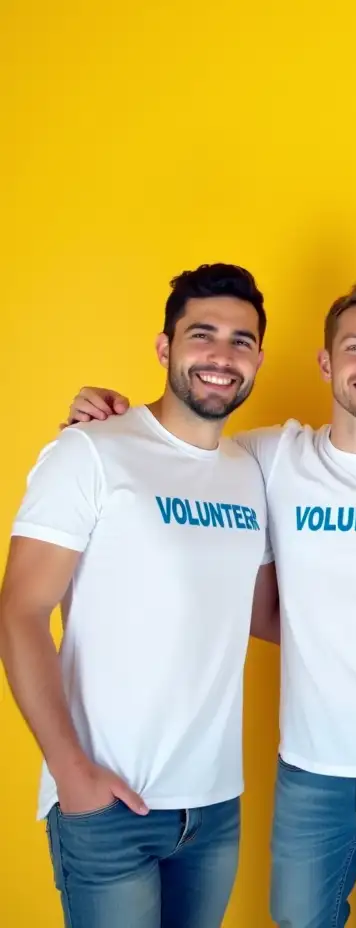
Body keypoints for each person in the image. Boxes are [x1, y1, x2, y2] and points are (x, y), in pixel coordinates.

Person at [59, 280, 356, 928]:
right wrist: (102, 415)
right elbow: (173, 450)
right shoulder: (267, 457)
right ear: (325, 362)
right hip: (312, 767)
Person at [0, 263, 272, 928]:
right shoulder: (92, 452)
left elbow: (266, 614)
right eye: (201, 334)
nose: (221, 355)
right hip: (109, 805)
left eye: (241, 341)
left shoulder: (249, 473)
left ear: (259, 358)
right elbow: (20, 611)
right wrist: (72, 774)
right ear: (164, 347)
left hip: (213, 807)